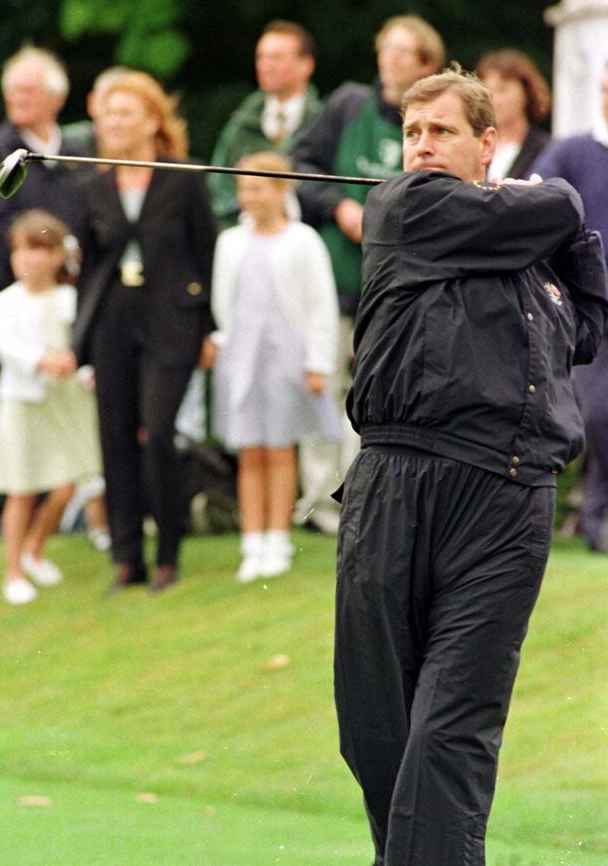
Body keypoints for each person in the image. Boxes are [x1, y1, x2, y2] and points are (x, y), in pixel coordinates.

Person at [335, 67, 608, 865]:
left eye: (441, 132)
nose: (420, 146)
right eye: (412, 133)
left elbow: (585, 330)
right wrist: (567, 223)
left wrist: (575, 246)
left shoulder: (524, 255)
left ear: (486, 145)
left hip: (505, 499)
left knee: (451, 725)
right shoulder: (401, 207)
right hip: (393, 487)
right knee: (376, 725)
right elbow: (560, 202)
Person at [291, 15, 444, 536]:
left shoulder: (434, 120)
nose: (391, 60)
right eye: (387, 49)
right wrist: (338, 207)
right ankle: (317, 505)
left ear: (427, 64)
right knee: (322, 387)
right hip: (334, 278)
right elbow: (300, 166)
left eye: (405, 53)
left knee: (374, 398)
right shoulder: (348, 105)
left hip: (396, 289)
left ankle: (357, 499)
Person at [73, 71, 217, 594]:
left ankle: (169, 555)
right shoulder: (89, 183)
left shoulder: (183, 177)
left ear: (152, 121)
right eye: (107, 113)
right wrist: (82, 344)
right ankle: (126, 557)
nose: (113, 122)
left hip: (172, 322)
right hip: (112, 321)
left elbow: (207, 252)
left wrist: (210, 330)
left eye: (125, 112)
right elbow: (89, 269)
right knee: (114, 439)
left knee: (157, 433)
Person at [0, 46, 84, 537]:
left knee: (63, 402)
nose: (19, 99)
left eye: (29, 90)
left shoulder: (75, 150)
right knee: (4, 403)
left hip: (65, 297)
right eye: (13, 90)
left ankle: (63, 507)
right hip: (7, 295)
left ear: (56, 97)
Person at [209, 152, 339, 581]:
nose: (249, 196)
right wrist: (223, 343)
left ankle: (279, 537)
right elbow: (223, 301)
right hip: (244, 355)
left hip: (286, 355)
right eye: (244, 187)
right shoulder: (230, 242)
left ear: (282, 190)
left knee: (281, 447)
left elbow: (321, 305)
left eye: (259, 187)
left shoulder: (303, 241)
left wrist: (318, 361)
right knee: (251, 449)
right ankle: (253, 540)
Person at [0, 210, 102, 605]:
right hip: (22, 401)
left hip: (66, 403)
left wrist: (81, 367)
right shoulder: (4, 302)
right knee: (20, 489)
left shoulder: (71, 298)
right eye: (22, 250)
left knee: (67, 484)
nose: (30, 259)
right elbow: (5, 345)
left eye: (40, 250)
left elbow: (85, 345)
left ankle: (36, 550)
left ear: (57, 256)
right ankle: (14, 570)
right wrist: (42, 360)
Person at [533, 62, 608, 551]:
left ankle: (597, 519)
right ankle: (598, 515)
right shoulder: (571, 152)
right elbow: (537, 210)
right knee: (599, 415)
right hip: (593, 312)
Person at [209, 19, 321, 227]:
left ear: (306, 65)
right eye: (261, 57)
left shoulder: (323, 123)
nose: (266, 65)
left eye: (277, 57)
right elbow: (219, 188)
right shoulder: (241, 123)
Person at [476, 48, 551, 180]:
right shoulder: (476, 147)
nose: (495, 100)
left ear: (526, 93)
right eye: (488, 91)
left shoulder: (546, 149)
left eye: (502, 89)